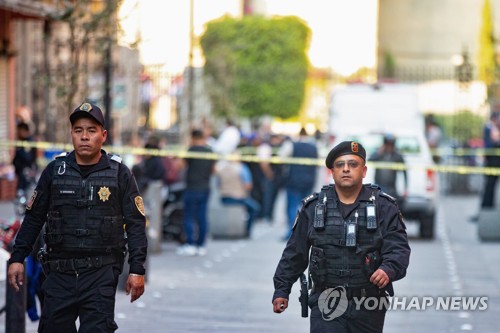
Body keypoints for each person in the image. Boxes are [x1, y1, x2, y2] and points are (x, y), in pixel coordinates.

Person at [7, 102, 148, 333]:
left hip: (100, 273)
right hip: (58, 273)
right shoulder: (55, 171)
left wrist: (137, 269)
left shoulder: (119, 173)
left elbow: (135, 223)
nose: (84, 137)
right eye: (78, 130)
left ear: (103, 136)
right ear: (71, 134)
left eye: (91, 131)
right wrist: (17, 258)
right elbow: (34, 218)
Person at [272, 141, 410, 333]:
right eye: (340, 165)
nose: (346, 169)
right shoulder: (313, 208)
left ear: (364, 170)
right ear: (332, 171)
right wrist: (282, 289)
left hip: (369, 303)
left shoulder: (383, 207)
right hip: (326, 300)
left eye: (353, 164)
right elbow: (295, 253)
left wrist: (388, 269)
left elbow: (399, 248)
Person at [176, 129, 216, 256]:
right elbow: (214, 171)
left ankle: (190, 244)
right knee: (202, 217)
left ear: (192, 138)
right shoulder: (210, 151)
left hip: (192, 187)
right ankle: (201, 245)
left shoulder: (191, 150)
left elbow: (180, 166)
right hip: (205, 187)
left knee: (189, 216)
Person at [279, 127, 318, 240]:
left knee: (292, 207)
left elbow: (281, 158)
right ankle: (304, 233)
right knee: (306, 207)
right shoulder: (314, 147)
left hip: (293, 180)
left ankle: (292, 233)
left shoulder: (292, 145)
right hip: (309, 181)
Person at [215, 156, 261, 238]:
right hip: (238, 197)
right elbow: (248, 185)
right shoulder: (242, 168)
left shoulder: (222, 169)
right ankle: (247, 231)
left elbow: (217, 185)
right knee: (255, 208)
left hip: (224, 197)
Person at [368, 134, 408, 202]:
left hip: (392, 188)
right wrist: (378, 152)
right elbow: (370, 160)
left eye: (391, 144)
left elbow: (404, 172)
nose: (389, 146)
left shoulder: (397, 156)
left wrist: (405, 188)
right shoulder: (379, 154)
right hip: (378, 186)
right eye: (387, 144)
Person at [480, 111, 500, 208]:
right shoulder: (490, 129)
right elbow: (489, 145)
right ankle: (487, 204)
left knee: (490, 185)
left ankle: (488, 204)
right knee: (489, 185)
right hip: (492, 162)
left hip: (493, 162)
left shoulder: (492, 129)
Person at [12, 121, 38, 195]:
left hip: (27, 171)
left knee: (27, 192)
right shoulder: (21, 141)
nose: (18, 133)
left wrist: (20, 151)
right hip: (21, 172)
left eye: (19, 130)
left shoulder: (29, 142)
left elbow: (28, 158)